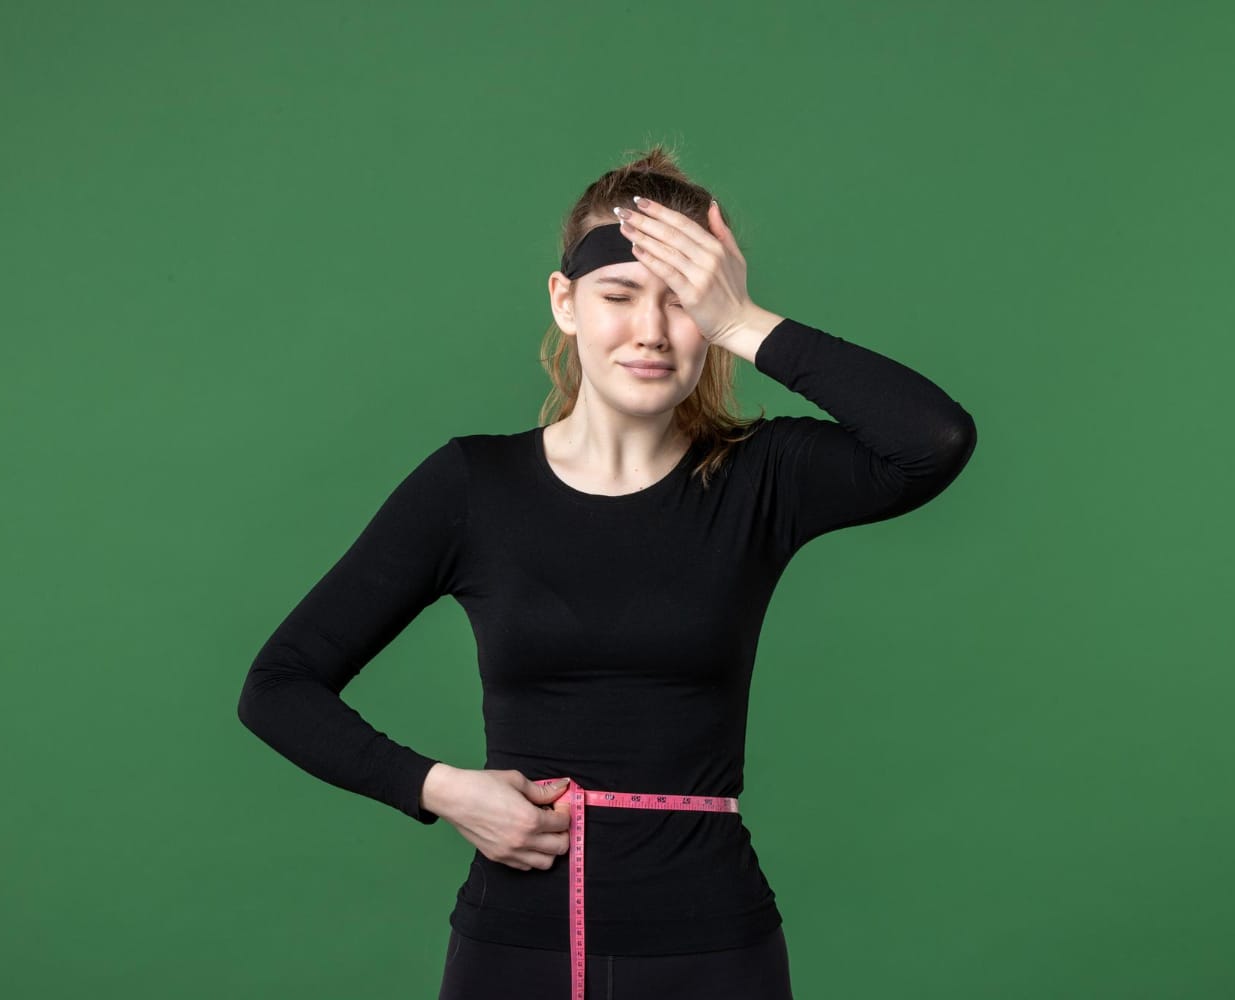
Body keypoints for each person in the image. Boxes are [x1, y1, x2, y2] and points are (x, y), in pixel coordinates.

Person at [237, 146, 978, 1000]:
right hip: (516, 947)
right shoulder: (473, 487)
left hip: (713, 944)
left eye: (684, 303)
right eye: (619, 296)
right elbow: (278, 686)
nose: (652, 332)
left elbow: (934, 441)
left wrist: (742, 320)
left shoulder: (758, 477)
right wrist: (441, 791)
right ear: (566, 303)